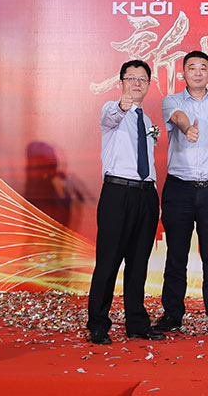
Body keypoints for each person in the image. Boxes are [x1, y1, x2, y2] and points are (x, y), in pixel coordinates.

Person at [153, 51, 208, 335]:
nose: (198, 72)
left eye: (203, 67)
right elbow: (177, 118)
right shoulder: (172, 101)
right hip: (180, 189)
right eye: (192, 68)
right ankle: (172, 314)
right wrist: (188, 128)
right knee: (176, 254)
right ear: (184, 73)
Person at [87, 60, 165, 345]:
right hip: (117, 194)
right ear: (120, 82)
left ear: (149, 85)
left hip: (145, 195)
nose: (136, 83)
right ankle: (98, 324)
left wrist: (153, 197)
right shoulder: (112, 111)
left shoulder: (147, 121)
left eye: (142, 79)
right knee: (108, 262)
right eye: (131, 78)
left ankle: (137, 323)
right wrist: (123, 104)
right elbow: (113, 115)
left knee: (139, 263)